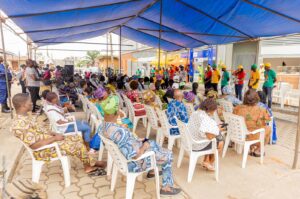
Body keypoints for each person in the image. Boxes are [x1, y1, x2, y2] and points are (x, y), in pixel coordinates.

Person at [99, 98, 181, 196]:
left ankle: (152, 172)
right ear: (117, 112)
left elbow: (125, 144)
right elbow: (134, 156)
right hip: (134, 163)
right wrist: (145, 146)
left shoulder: (102, 126)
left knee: (152, 143)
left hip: (120, 158)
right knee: (168, 154)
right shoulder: (120, 132)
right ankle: (166, 188)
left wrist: (137, 141)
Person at [11, 93, 106, 175]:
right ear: (23, 105)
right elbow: (34, 145)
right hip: (44, 150)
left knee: (77, 138)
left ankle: (90, 163)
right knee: (77, 145)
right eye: (30, 102)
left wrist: (54, 133)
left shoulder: (26, 117)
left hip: (49, 142)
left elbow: (41, 130)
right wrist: (55, 138)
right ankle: (89, 166)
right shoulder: (20, 125)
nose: (32, 103)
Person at [189, 98, 224, 171]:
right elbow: (210, 137)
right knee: (220, 142)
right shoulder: (205, 118)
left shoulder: (195, 113)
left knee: (213, 139)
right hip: (197, 144)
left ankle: (206, 160)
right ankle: (209, 163)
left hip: (190, 140)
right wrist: (218, 129)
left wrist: (214, 127)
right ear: (211, 110)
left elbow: (204, 129)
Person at [233, 89, 271, 157]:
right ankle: (258, 149)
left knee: (252, 127)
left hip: (238, 134)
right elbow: (267, 121)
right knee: (268, 128)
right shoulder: (261, 110)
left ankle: (252, 147)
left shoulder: (237, 108)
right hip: (252, 136)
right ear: (256, 98)